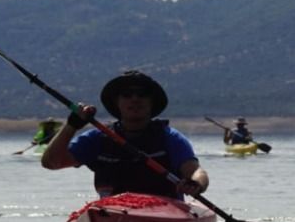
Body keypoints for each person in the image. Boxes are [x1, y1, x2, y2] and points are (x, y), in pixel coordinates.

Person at [41, 70, 210, 199]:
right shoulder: (96, 139)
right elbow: (51, 163)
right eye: (127, 95)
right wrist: (72, 125)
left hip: (165, 210)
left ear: (152, 103)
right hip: (111, 212)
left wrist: (196, 184)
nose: (134, 99)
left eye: (142, 94)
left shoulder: (170, 138)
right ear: (117, 103)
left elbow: (197, 172)